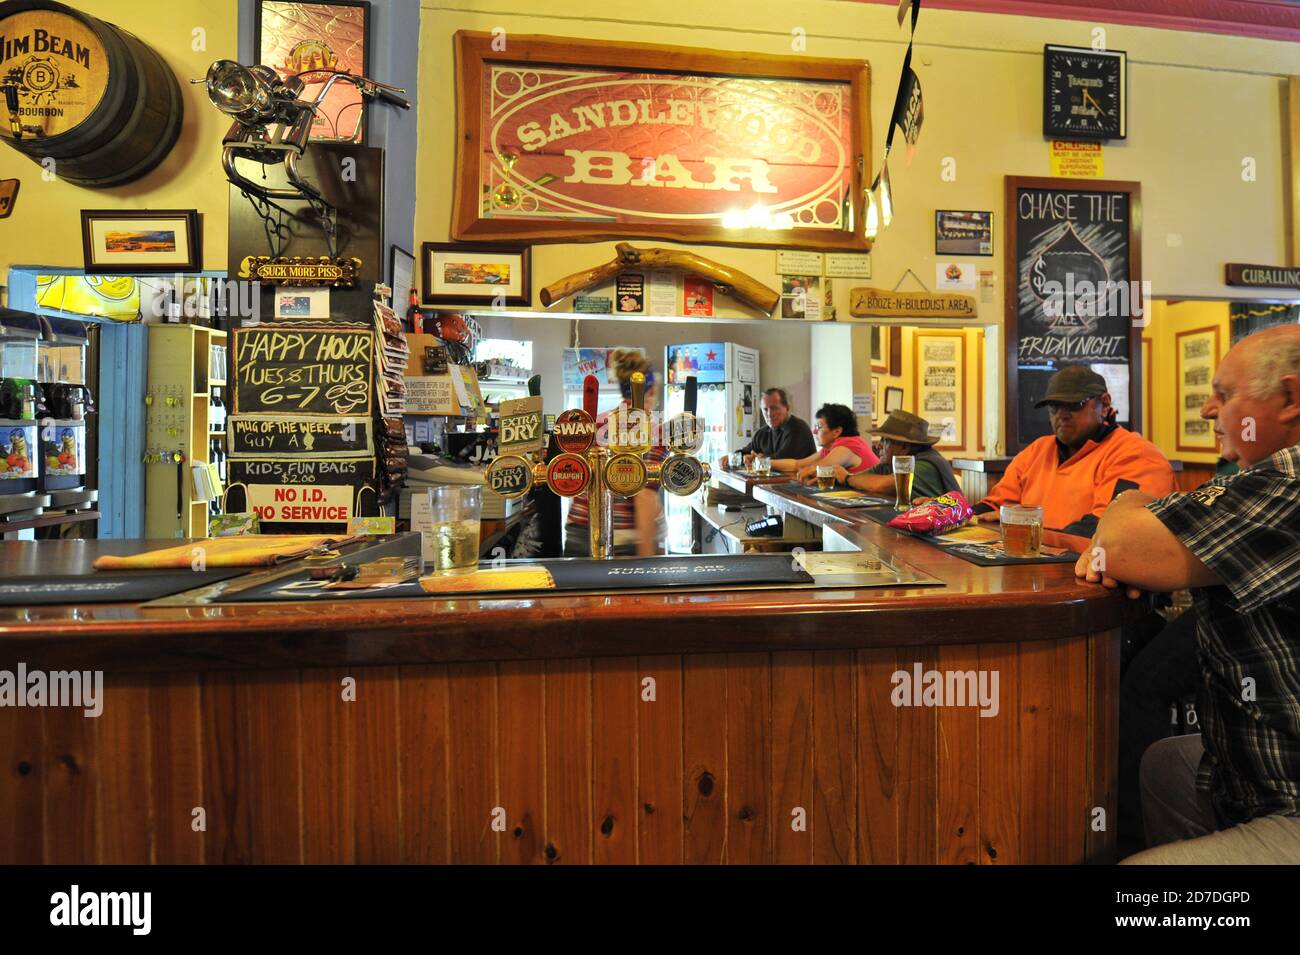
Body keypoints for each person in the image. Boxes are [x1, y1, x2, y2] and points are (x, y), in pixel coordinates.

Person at [1074, 325, 1300, 863]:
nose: (1207, 410)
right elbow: (1134, 549)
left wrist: (1124, 512)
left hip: (1291, 796)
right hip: (1268, 772)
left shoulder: (1288, 482)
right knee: (1164, 763)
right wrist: (1128, 544)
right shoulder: (1256, 477)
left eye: (1224, 395)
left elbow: (1126, 545)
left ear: (1291, 399)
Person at [975, 365, 1174, 547]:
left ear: (1104, 404)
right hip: (1034, 567)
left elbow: (1109, 530)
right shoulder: (1037, 450)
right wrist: (960, 517)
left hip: (1098, 577)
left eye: (1073, 405)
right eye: (1054, 406)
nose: (1062, 414)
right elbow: (996, 505)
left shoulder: (1137, 455)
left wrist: (1027, 534)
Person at [563, 349, 666, 558]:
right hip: (622, 540)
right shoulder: (652, 429)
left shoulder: (599, 422)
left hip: (579, 531)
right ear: (653, 390)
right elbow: (643, 496)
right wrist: (647, 560)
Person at [828, 410, 960, 500]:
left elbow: (878, 485)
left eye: (885, 440)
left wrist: (846, 478)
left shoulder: (925, 465)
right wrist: (843, 477)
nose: (879, 445)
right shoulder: (889, 463)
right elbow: (862, 479)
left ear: (904, 446)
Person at [772, 402, 879, 481]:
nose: (814, 431)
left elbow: (814, 470)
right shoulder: (831, 448)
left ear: (837, 431)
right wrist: (764, 463)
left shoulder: (847, 447)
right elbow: (797, 464)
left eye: (819, 427)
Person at [721, 387, 816, 469]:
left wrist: (758, 458)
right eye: (765, 409)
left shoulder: (798, 428)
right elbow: (748, 451)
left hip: (800, 486)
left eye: (774, 408)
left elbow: (782, 460)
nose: (770, 414)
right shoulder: (762, 433)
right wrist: (731, 457)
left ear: (787, 408)